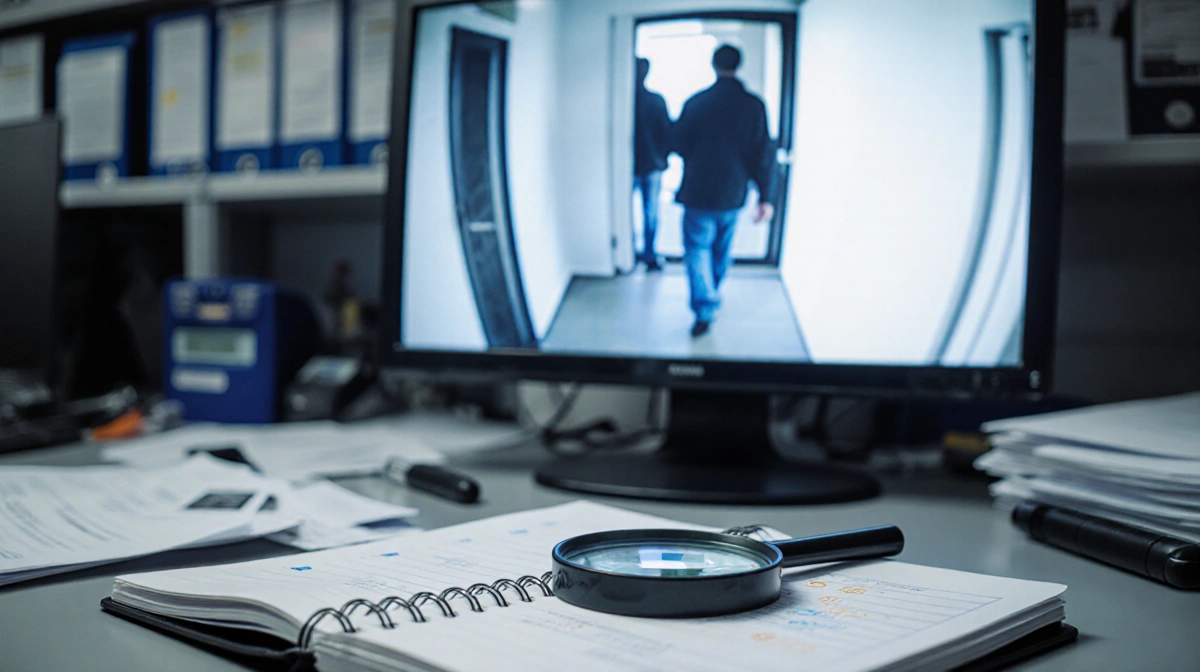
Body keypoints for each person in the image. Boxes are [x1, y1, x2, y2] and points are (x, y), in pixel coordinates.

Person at [672, 44, 779, 337]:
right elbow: (763, 154)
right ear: (738, 65)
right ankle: (711, 293)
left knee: (697, 250)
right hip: (733, 193)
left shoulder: (696, 102)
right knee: (721, 250)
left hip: (697, 190)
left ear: (714, 65)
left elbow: (678, 144)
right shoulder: (754, 106)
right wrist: (766, 198)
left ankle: (705, 307)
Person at [633, 57, 673, 271]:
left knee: (629, 210)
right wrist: (662, 157)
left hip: (630, 164)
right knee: (651, 211)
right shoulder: (655, 100)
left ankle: (631, 252)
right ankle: (649, 254)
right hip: (652, 163)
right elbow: (667, 133)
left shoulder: (623, 100)